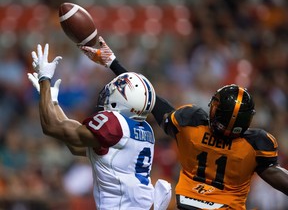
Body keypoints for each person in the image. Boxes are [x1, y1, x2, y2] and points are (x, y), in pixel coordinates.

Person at [79, 36, 288, 210]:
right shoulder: (255, 145)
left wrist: (113, 63)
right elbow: (278, 177)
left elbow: (153, 102)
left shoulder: (191, 125)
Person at [27, 44, 171, 210]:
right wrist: (52, 101)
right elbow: (75, 144)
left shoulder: (115, 125)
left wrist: (44, 78)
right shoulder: (144, 129)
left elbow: (51, 127)